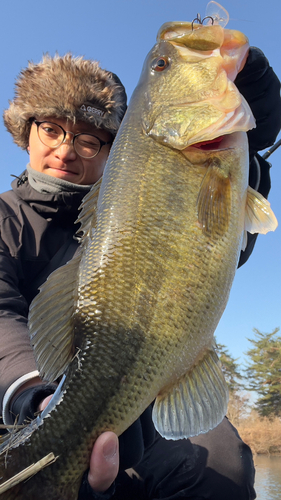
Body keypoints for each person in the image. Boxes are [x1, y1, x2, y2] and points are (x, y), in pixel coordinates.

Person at [0, 45, 280, 500]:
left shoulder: (144, 190)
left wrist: (254, 148)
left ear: (114, 149)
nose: (67, 150)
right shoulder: (4, 219)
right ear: (25, 133)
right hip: (32, 403)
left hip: (153, 394)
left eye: (89, 139)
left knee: (222, 469)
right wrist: (38, 397)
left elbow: (219, 250)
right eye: (51, 129)